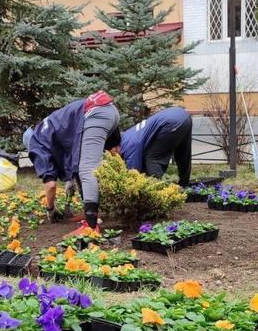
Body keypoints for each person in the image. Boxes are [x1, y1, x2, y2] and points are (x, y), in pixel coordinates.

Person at [23, 91, 120, 234]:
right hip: (110, 110)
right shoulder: (47, 129)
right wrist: (71, 179)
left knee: (87, 169)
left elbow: (50, 185)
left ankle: (91, 226)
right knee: (88, 167)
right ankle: (100, 212)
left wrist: (50, 209)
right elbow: (73, 155)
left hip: (94, 114)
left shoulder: (37, 143)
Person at [118, 107, 192, 185]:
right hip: (183, 115)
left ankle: (159, 190)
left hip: (170, 122)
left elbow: (134, 172)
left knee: (153, 159)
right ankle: (184, 185)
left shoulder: (127, 146)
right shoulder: (127, 136)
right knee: (183, 155)